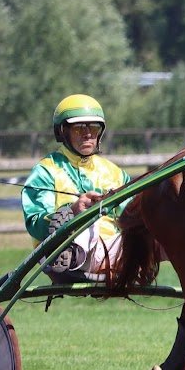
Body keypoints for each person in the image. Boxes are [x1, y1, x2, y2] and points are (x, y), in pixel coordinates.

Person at [22, 94, 131, 282]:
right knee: (89, 216)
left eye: (93, 128)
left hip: (114, 251)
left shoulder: (115, 172)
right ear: (63, 131)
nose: (87, 134)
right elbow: (35, 224)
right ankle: (69, 254)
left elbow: (132, 215)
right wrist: (72, 211)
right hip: (63, 256)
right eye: (79, 128)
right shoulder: (46, 171)